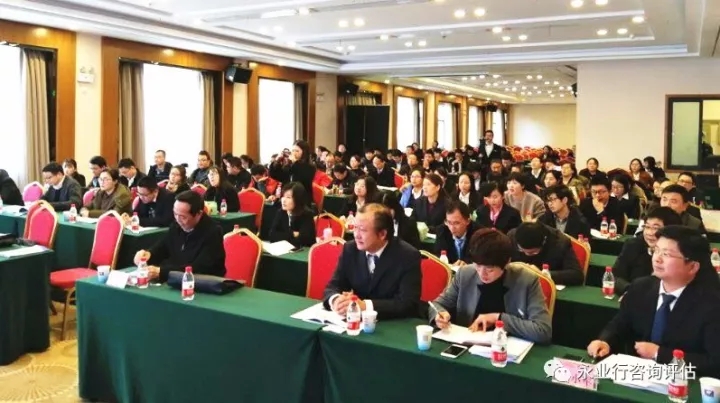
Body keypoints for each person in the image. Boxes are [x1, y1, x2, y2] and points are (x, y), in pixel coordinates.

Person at [587, 226, 720, 377]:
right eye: (656, 250)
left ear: (692, 267)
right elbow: (620, 323)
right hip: (635, 376)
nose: (657, 259)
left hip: (683, 382)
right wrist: (605, 341)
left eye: (666, 254)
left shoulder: (712, 304)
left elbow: (714, 362)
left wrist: (659, 354)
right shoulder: (640, 287)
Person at [430, 228, 552, 343]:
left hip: (507, 348)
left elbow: (543, 330)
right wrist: (439, 315)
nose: (482, 274)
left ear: (506, 262)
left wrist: (498, 318)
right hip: (468, 343)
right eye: (478, 266)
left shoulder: (527, 280)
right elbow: (437, 304)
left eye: (490, 269)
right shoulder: (465, 274)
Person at [323, 203, 422, 319]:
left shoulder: (407, 256)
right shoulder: (350, 249)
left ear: (382, 234)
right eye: (355, 227)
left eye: (362, 230)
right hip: (355, 321)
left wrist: (365, 306)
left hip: (391, 322)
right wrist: (336, 300)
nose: (356, 235)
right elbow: (333, 286)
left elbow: (407, 303)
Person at [133, 190, 226, 282]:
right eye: (175, 214)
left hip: (201, 284)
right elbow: (163, 247)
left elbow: (198, 268)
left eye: (183, 217)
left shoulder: (212, 232)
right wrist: (148, 254)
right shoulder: (176, 225)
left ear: (199, 214)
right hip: (175, 280)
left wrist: (162, 272)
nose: (178, 219)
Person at [612, 207, 682, 296]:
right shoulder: (633, 245)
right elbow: (615, 276)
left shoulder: (680, 254)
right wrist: (631, 291)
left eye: (656, 228)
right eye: (647, 227)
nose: (649, 233)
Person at [508, 222, 584, 286]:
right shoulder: (511, 237)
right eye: (521, 250)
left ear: (544, 242)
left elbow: (577, 275)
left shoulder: (560, 243)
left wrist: (543, 274)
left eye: (532, 252)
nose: (526, 254)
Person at [268, 182, 316, 248]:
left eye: (288, 197)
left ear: (298, 199)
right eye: (283, 196)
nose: (284, 200)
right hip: (283, 249)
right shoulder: (281, 212)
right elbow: (272, 236)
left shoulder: (307, 215)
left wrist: (283, 235)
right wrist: (293, 234)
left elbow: (304, 239)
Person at [434, 201, 480, 266]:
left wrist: (467, 264)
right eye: (449, 222)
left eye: (456, 223)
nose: (452, 228)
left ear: (468, 221)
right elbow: (438, 255)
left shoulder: (479, 233)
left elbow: (479, 258)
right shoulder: (442, 230)